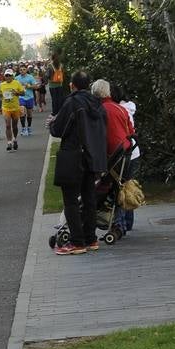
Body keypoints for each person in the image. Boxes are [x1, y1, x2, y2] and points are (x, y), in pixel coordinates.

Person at [48, 70, 108, 255]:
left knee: (71, 200)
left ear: (72, 85)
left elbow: (59, 129)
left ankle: (77, 241)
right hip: (92, 156)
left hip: (74, 154)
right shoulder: (97, 104)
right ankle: (91, 238)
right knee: (89, 198)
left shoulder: (73, 102)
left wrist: (52, 123)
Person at [104, 81, 142, 231]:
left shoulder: (117, 110)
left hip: (122, 153)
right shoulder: (128, 108)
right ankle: (128, 220)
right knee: (128, 186)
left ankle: (120, 223)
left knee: (118, 187)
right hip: (133, 152)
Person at [0, 68, 27, 151]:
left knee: (14, 126)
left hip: (15, 108)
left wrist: (17, 93)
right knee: (7, 125)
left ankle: (15, 139)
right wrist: (2, 99)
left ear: (12, 76)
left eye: (9, 75)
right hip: (6, 108)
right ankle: (9, 142)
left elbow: (23, 93)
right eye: (6, 75)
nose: (8, 77)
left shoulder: (17, 83)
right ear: (4, 77)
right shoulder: (2, 85)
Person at [15, 68, 39, 136]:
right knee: (22, 111)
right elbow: (13, 87)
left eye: (24, 69)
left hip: (29, 97)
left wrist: (29, 86)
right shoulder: (16, 78)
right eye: (21, 69)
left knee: (29, 114)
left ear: (26, 70)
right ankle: (23, 128)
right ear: (19, 71)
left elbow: (36, 87)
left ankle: (29, 127)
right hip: (21, 97)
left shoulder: (30, 77)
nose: (22, 71)